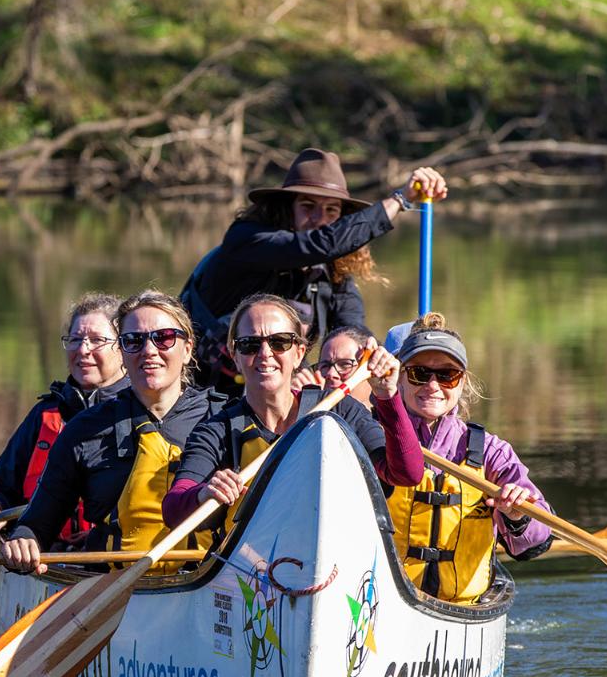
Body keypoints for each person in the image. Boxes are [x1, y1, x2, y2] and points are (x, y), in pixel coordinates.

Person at [0, 291, 226, 576]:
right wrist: (23, 542)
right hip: (111, 589)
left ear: (188, 348)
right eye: (134, 341)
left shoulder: (224, 419)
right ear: (121, 351)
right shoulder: (84, 429)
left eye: (164, 337)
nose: (149, 350)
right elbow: (37, 524)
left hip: (210, 589)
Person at [180, 148, 448, 390]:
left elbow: (352, 327)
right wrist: (400, 200)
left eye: (332, 211)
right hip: (203, 390)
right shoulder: (247, 241)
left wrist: (368, 355)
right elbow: (319, 244)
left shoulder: (331, 273)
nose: (321, 219)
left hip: (278, 392)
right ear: (286, 210)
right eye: (308, 206)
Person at [161, 294, 424, 531]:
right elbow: (173, 510)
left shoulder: (340, 409)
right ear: (235, 355)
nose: (265, 354)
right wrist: (204, 494)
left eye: (279, 342)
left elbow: (406, 474)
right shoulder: (217, 429)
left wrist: (387, 396)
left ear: (299, 353)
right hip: (247, 575)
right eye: (250, 344)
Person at [389, 313, 554, 605]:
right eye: (419, 373)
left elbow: (537, 541)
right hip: (383, 601)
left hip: (463, 605)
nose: (432, 385)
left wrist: (517, 515)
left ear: (462, 381)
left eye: (447, 375)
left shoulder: (491, 452)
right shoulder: (374, 440)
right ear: (400, 377)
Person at [0, 293, 129, 544]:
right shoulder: (46, 414)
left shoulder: (138, 411)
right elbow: (4, 487)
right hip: (45, 550)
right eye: (75, 340)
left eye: (97, 340)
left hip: (115, 553)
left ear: (122, 348)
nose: (83, 350)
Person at [291, 324, 375, 406]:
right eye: (325, 366)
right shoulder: (308, 401)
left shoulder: (386, 414)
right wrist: (298, 404)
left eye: (345, 364)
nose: (331, 373)